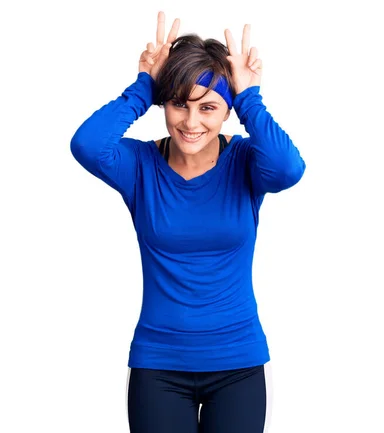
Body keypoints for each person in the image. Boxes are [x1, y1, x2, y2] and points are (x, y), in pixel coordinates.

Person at [70, 11, 306, 433]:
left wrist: (248, 95)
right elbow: (87, 144)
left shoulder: (248, 163)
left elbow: (289, 168)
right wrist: (145, 85)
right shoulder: (140, 167)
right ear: (166, 102)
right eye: (179, 103)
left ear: (227, 109)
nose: (191, 122)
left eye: (208, 107)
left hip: (238, 364)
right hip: (159, 367)